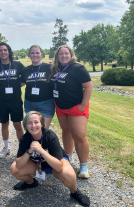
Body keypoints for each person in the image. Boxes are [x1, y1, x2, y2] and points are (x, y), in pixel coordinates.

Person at [10, 111, 90, 207]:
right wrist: (29, 151)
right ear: (26, 126)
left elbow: (59, 167)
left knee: (68, 174)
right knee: (14, 169)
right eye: (29, 123)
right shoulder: (25, 139)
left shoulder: (50, 136)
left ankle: (74, 192)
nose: (33, 125)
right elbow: (18, 165)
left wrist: (41, 151)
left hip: (55, 165)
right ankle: (31, 183)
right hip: (37, 165)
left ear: (42, 124)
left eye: (36, 122)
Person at [48, 45, 93, 178]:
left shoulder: (78, 68)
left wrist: (83, 105)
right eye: (60, 54)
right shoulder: (55, 68)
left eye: (66, 53)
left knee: (79, 135)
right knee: (66, 131)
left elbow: (89, 86)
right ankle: (68, 157)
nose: (63, 56)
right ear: (57, 56)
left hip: (76, 107)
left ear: (71, 54)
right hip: (60, 106)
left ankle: (83, 165)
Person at [0, 42, 25, 158]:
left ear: (9, 51)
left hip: (15, 100)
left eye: (5, 50)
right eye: (0, 50)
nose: (3, 52)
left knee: (18, 125)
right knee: (4, 124)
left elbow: (27, 77)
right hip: (1, 100)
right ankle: (6, 147)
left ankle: (22, 149)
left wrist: (17, 86)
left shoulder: (17, 65)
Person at [20, 45, 54, 128]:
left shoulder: (50, 67)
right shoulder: (25, 70)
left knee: (43, 131)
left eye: (37, 53)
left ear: (41, 54)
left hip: (46, 103)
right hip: (29, 104)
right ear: (29, 55)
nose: (35, 55)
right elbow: (21, 83)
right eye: (32, 53)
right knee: (32, 130)